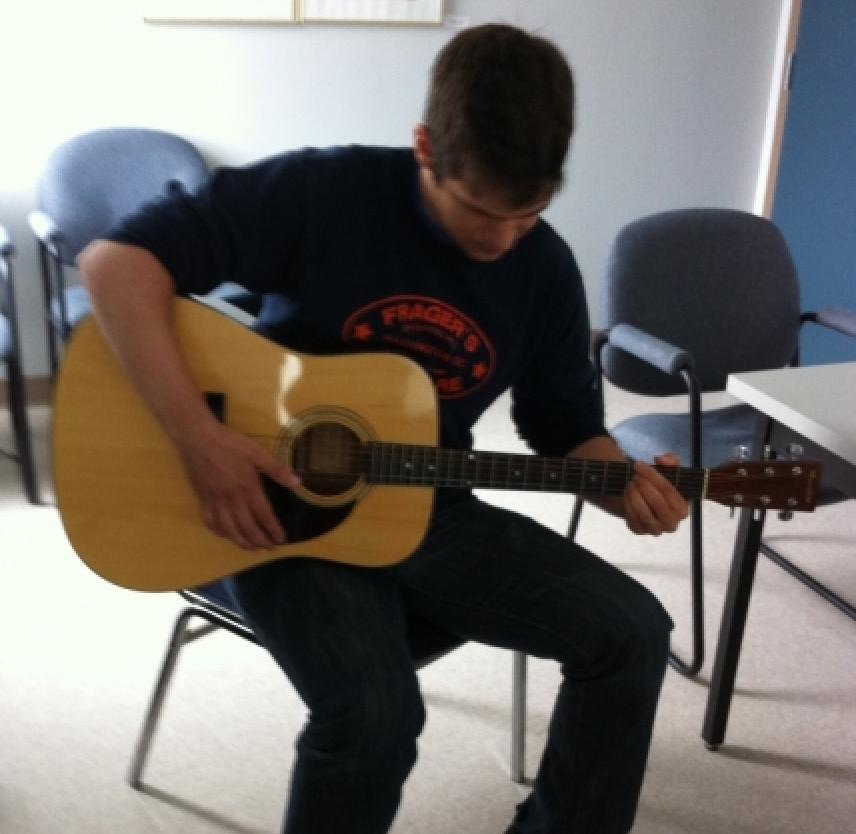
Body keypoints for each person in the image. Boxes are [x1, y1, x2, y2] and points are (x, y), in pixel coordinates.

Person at [79, 23, 688, 834]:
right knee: (374, 717)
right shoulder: (326, 192)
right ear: (424, 148)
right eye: (478, 210)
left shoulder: (542, 267)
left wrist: (627, 488)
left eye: (528, 214)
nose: (501, 238)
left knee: (634, 632)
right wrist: (200, 440)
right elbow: (115, 264)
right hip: (273, 510)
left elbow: (566, 427)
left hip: (431, 507)